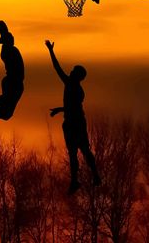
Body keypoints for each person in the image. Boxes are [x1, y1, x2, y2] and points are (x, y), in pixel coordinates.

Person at [45, 40, 101, 194]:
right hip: (73, 121)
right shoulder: (73, 85)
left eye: (73, 70)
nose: (70, 71)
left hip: (74, 123)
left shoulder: (74, 87)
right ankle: (81, 178)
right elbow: (73, 107)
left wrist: (59, 109)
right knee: (77, 151)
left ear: (78, 76)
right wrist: (61, 109)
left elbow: (73, 108)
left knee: (80, 150)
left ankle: (91, 176)